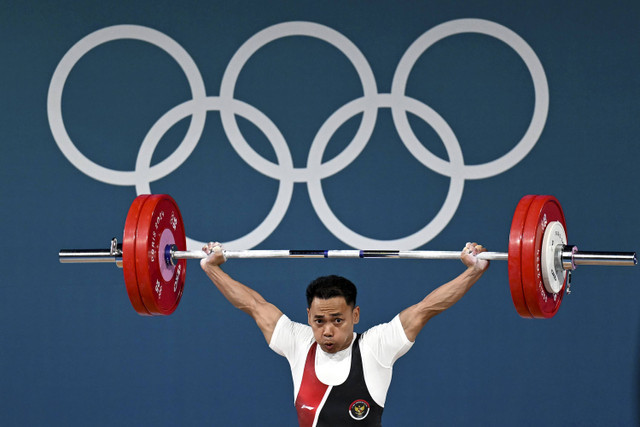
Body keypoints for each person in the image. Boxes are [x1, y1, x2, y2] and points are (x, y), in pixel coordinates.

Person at [200, 242, 489, 426]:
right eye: (319, 320)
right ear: (308, 317)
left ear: (356, 315)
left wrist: (472, 272)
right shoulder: (299, 342)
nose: (327, 331)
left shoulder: (376, 346)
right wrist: (211, 269)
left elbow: (426, 308)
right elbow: (252, 304)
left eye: (337, 320)